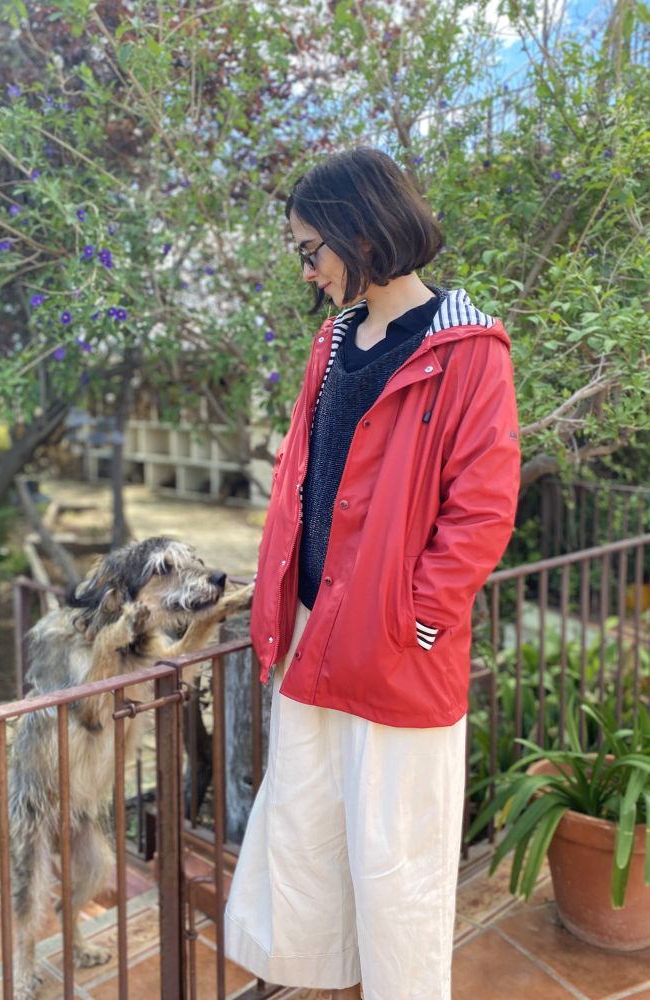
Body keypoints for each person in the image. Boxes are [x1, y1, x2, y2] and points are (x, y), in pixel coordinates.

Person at [224, 147, 520, 999]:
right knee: (307, 823)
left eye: (310, 249)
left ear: (360, 230)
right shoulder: (332, 341)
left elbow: (482, 508)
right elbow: (304, 473)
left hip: (396, 644)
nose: (306, 270)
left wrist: (417, 618)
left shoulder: (468, 350)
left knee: (398, 855)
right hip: (313, 627)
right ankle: (329, 980)